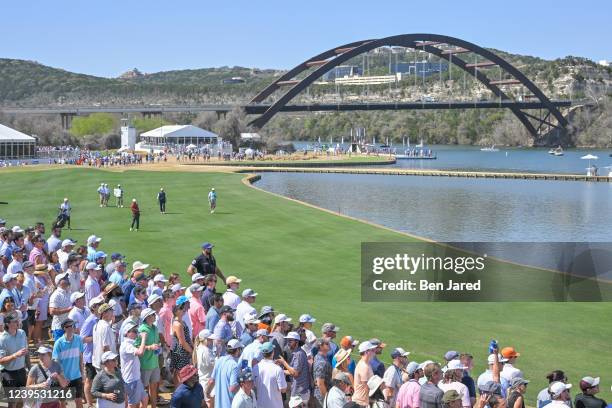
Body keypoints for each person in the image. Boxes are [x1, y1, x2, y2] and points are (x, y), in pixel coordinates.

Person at [52, 319, 85, 408]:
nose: (71, 328)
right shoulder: (58, 343)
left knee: (79, 401)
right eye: (68, 326)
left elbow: (81, 358)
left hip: (76, 376)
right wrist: (61, 377)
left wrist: (82, 374)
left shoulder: (78, 339)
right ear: (64, 329)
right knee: (62, 402)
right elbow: (56, 362)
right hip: (63, 377)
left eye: (72, 326)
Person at [136, 308, 164, 408]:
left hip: (154, 363)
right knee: (143, 389)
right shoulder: (141, 329)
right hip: (145, 364)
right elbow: (136, 347)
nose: (155, 315)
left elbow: (155, 343)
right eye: (152, 314)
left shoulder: (155, 328)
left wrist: (157, 346)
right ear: (147, 317)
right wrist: (149, 347)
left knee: (154, 387)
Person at [0, 313, 28, 408]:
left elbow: (25, 352)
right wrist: (15, 355)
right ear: (8, 324)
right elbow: (1, 360)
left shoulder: (22, 333)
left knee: (22, 399)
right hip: (8, 374)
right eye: (15, 321)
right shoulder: (2, 339)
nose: (18, 322)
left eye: (18, 320)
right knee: (12, 402)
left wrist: (29, 368)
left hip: (21, 371)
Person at [120, 321, 149, 408]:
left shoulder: (130, 343)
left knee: (145, 399)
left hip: (136, 378)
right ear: (127, 333)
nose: (136, 332)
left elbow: (141, 351)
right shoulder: (126, 345)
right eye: (134, 331)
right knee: (132, 404)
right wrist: (143, 338)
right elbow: (140, 352)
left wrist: (145, 343)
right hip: (131, 380)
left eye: (136, 330)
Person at [207, 339, 243, 408]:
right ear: (237, 350)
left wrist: (207, 392)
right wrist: (242, 384)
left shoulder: (219, 360)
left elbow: (211, 381)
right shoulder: (234, 365)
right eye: (240, 349)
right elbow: (233, 388)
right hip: (229, 404)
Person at [252, 341, 287, 408]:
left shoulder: (255, 368)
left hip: (260, 405)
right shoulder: (277, 369)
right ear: (273, 352)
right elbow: (283, 390)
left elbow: (254, 386)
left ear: (262, 353)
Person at [279, 331, 310, 405]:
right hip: (299, 392)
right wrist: (280, 371)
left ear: (297, 342)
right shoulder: (297, 353)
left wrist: (283, 362)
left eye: (290, 341)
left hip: (300, 393)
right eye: (287, 341)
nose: (288, 343)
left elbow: (295, 373)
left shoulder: (298, 354)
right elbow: (292, 371)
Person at [171, 300, 193, 385]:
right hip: (181, 352)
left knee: (182, 374)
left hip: (184, 351)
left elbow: (187, 338)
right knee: (180, 374)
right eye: (181, 308)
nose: (183, 310)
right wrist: (191, 351)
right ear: (176, 311)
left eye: (183, 308)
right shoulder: (178, 324)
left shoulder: (182, 322)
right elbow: (182, 342)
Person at [193, 329, 216, 405]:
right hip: (208, 382)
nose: (212, 341)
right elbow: (214, 365)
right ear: (205, 340)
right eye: (210, 339)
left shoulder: (199, 348)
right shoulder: (206, 351)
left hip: (204, 380)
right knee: (209, 403)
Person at [49, 272, 72, 340]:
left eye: (67, 278)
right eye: (64, 278)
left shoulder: (68, 292)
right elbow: (52, 311)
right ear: (59, 282)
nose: (67, 279)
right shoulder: (56, 295)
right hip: (59, 328)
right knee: (60, 349)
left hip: (69, 326)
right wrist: (68, 309)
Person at [353, 341, 376, 406]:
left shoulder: (367, 364)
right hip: (361, 402)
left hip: (362, 401)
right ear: (366, 352)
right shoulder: (364, 366)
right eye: (372, 350)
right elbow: (367, 387)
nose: (374, 352)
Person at [313, 338, 333, 406]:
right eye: (327, 344)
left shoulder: (319, 356)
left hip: (321, 393)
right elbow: (320, 383)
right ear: (321, 347)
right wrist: (326, 398)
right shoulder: (322, 362)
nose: (329, 345)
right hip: (322, 396)